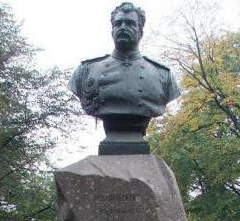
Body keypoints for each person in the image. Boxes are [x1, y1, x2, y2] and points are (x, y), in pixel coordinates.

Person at [69, 2, 180, 141]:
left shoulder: (163, 75)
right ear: (112, 31)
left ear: (141, 31)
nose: (123, 27)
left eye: (129, 23)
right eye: (118, 23)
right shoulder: (86, 71)